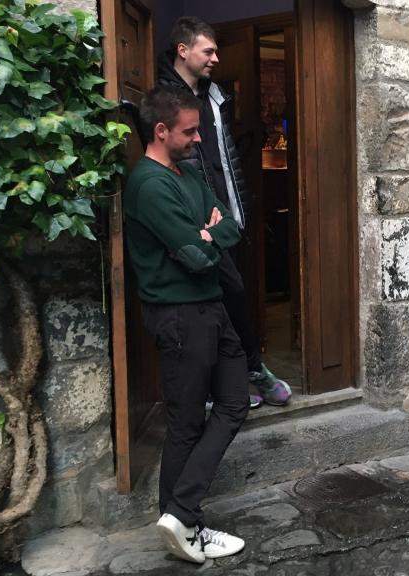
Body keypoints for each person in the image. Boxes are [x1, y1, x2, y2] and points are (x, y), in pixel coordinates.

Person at [124, 85, 249, 563]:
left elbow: (230, 226)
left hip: (211, 309)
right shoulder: (150, 184)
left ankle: (180, 514)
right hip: (178, 315)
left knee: (235, 402)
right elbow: (197, 258)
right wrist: (203, 233)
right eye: (190, 131)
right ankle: (185, 524)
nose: (199, 139)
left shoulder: (189, 173)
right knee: (185, 424)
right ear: (160, 131)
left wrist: (206, 231)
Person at [157, 15, 291, 408]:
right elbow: (166, 163)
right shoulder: (164, 98)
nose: (216, 58)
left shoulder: (214, 96)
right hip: (196, 224)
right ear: (184, 51)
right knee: (217, 303)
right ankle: (242, 378)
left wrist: (238, 211)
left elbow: (224, 160)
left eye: (216, 50)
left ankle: (233, 383)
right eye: (208, 50)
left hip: (226, 218)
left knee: (231, 299)